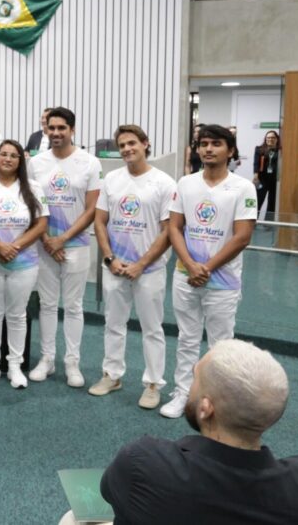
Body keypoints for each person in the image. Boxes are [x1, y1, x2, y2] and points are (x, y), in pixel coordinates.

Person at [101, 339, 298, 524]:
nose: (191, 386)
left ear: (205, 408)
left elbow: (108, 492)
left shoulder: (143, 463)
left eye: (196, 379)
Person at [161, 124, 257, 418]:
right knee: (187, 338)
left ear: (230, 150)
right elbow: (174, 227)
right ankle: (183, 394)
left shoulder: (242, 188)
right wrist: (190, 264)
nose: (208, 149)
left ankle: (217, 401)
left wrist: (206, 268)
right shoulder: (186, 183)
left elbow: (242, 236)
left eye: (216, 143)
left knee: (220, 343)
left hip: (223, 281)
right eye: (203, 144)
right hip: (185, 275)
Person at [88, 125, 176, 409]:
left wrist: (141, 264)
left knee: (152, 328)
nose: (127, 149)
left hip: (148, 270)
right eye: (122, 145)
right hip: (115, 266)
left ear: (145, 144)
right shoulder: (112, 179)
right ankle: (112, 375)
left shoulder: (164, 182)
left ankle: (152, 383)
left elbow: (167, 230)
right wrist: (110, 258)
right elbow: (100, 221)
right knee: (113, 324)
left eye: (132, 143)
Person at [28, 107, 101, 388]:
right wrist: (48, 240)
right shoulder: (37, 163)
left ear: (72, 130)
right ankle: (47, 360)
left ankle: (72, 363)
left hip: (77, 244)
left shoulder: (89, 163)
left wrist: (63, 239)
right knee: (46, 305)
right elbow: (33, 204)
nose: (56, 133)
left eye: (62, 128)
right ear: (46, 129)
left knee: (72, 306)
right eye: (52, 128)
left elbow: (91, 209)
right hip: (44, 244)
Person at [0, 139, 48, 389]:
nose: (7, 159)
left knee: (17, 315)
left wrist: (14, 247)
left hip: (24, 262)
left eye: (13, 155)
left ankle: (14, 366)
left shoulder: (34, 188)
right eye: (3, 154)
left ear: (21, 161)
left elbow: (41, 224)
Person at [252, 129, 280, 221]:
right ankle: (253, 221)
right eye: (268, 137)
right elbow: (256, 163)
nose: (270, 139)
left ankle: (268, 223)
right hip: (262, 179)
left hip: (275, 180)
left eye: (273, 137)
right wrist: (255, 176)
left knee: (272, 202)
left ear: (277, 139)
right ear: (265, 139)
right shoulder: (259, 149)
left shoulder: (280, 151)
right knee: (258, 200)